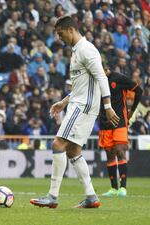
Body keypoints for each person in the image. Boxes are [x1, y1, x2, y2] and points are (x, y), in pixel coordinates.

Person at [30, 16, 120, 209]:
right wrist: (63, 101)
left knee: (58, 143)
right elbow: (82, 85)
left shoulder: (87, 50)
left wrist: (108, 105)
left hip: (83, 106)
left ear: (70, 29)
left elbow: (101, 78)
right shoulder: (77, 51)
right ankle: (91, 197)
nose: (59, 38)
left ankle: (52, 196)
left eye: (61, 33)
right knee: (73, 150)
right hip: (77, 103)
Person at [100, 65, 143, 197]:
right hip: (104, 123)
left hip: (120, 122)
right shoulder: (96, 80)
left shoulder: (118, 78)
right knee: (109, 154)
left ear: (106, 69)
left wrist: (131, 111)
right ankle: (113, 188)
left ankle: (123, 187)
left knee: (120, 151)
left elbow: (139, 91)